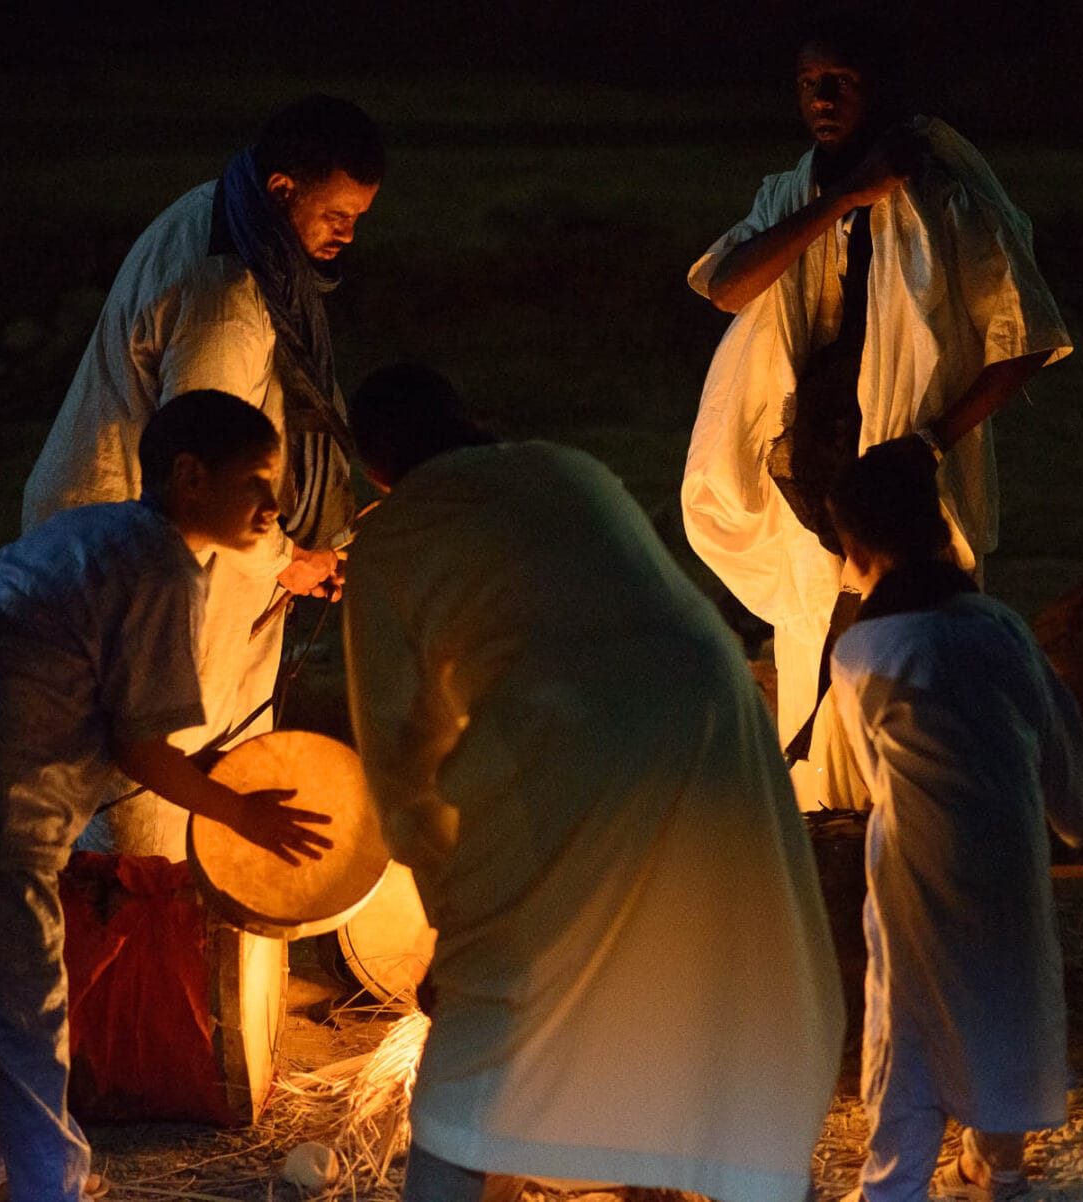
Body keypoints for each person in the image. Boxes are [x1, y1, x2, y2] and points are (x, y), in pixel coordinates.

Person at [340, 363, 844, 1202]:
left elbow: (402, 752)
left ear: (376, 471)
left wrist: (451, 925)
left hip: (572, 738)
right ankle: (690, 1170)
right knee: (703, 968)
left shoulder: (392, 536)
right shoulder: (565, 467)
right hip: (713, 718)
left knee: (484, 1025)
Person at [0, 391, 337, 1202]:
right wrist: (244, 814)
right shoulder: (158, 566)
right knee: (29, 1021)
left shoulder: (100, 532)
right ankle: (52, 1186)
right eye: (256, 481)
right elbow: (142, 750)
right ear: (190, 476)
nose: (274, 505)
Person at [682, 9, 1073, 810]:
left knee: (908, 647)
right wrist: (847, 199)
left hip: (902, 469)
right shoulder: (794, 193)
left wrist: (927, 445)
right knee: (810, 649)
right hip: (816, 468)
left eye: (841, 83)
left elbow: (1026, 337)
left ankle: (912, 817)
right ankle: (829, 825)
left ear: (881, 88)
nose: (820, 99)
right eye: (807, 85)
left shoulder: (945, 195)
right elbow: (728, 287)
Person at [22, 94, 383, 856]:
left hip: (135, 536)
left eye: (359, 215)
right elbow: (207, 478)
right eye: (337, 214)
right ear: (283, 190)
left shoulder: (225, 212)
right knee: (153, 776)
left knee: (155, 759)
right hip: (141, 548)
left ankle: (156, 942)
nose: (348, 235)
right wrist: (289, 559)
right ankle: (137, 946)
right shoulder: (229, 295)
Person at [824, 438, 1083, 1202]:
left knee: (907, 1025)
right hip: (1009, 854)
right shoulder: (999, 625)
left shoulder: (865, 651)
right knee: (1002, 1005)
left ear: (859, 547)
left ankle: (893, 1185)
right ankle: (1000, 1170)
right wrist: (1077, 820)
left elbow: (881, 779)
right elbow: (1057, 733)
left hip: (923, 867)